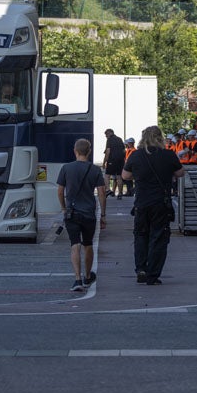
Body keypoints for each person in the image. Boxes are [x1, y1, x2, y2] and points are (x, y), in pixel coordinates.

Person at [122, 125, 185, 285]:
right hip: (161, 203)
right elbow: (180, 173)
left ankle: (141, 268)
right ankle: (153, 274)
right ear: (160, 138)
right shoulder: (168, 155)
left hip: (141, 202)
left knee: (141, 235)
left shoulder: (136, 155)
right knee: (159, 237)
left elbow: (125, 175)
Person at [56, 138, 107, 291]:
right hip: (89, 213)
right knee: (88, 244)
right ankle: (88, 276)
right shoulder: (95, 170)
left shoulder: (66, 168)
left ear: (75, 151)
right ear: (89, 151)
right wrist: (103, 214)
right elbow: (102, 193)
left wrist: (64, 208)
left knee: (75, 245)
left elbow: (60, 191)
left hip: (72, 213)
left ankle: (77, 279)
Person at [102, 128, 128, 198]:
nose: (106, 136)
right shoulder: (120, 139)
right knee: (119, 177)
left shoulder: (109, 140)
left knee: (107, 175)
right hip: (120, 161)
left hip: (112, 160)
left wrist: (104, 162)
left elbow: (108, 151)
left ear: (109, 133)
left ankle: (108, 190)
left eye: (106, 135)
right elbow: (124, 151)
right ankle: (120, 194)